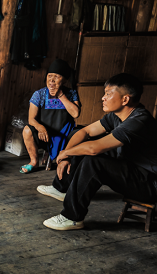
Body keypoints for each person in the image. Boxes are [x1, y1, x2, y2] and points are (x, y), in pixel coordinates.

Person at [38, 73, 157, 231]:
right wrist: (66, 154)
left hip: (149, 184)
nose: (103, 98)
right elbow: (85, 132)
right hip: (132, 170)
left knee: (93, 160)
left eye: (108, 94)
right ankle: (61, 188)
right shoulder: (116, 116)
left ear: (125, 99)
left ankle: (72, 218)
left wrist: (65, 154)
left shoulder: (139, 120)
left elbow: (94, 148)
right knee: (79, 139)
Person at [20, 59, 81, 174]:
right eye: (49, 76)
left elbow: (76, 114)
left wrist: (61, 95)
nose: (52, 80)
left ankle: (66, 159)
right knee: (27, 130)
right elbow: (31, 119)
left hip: (65, 135)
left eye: (56, 76)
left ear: (64, 79)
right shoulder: (39, 94)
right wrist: (40, 127)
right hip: (45, 134)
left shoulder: (71, 93)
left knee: (81, 133)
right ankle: (34, 162)